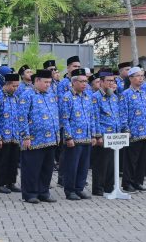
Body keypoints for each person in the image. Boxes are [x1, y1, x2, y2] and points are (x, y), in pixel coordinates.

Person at [20, 69, 60, 204]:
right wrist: (25, 136)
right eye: (45, 82)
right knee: (32, 168)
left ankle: (43, 192)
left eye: (50, 82)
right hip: (33, 139)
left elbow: (55, 115)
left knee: (47, 168)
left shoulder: (50, 95)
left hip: (50, 139)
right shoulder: (27, 95)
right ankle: (30, 193)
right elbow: (21, 117)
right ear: (37, 81)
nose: (48, 85)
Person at [59, 68, 96, 200]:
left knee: (84, 166)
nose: (84, 84)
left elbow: (91, 117)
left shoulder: (87, 96)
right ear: (73, 82)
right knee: (72, 166)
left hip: (86, 137)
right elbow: (65, 119)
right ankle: (70, 190)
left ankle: (79, 188)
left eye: (86, 81)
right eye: (81, 81)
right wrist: (68, 137)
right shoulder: (67, 97)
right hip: (74, 138)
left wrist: (93, 135)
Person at [119, 66, 146, 192]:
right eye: (138, 76)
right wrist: (126, 129)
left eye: (142, 76)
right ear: (131, 78)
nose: (141, 78)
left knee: (142, 160)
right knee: (131, 160)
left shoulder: (143, 93)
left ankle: (138, 182)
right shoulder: (125, 94)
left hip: (145, 132)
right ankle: (127, 183)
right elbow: (123, 113)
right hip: (133, 132)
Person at [0, 72, 24, 194]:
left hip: (14, 135)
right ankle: (0, 184)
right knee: (2, 160)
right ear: (7, 84)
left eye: (17, 86)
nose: (16, 89)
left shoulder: (16, 98)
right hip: (3, 136)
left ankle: (11, 182)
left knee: (13, 161)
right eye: (14, 86)